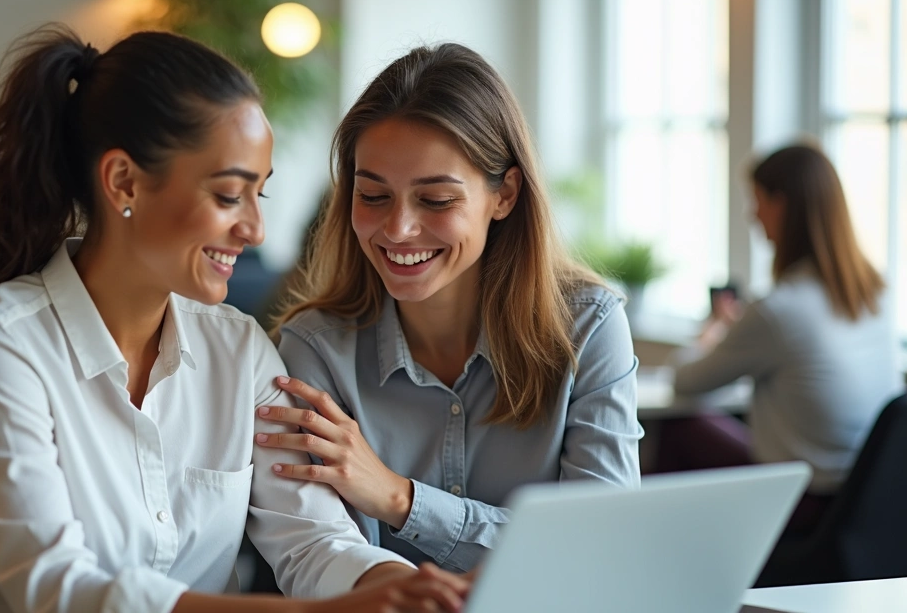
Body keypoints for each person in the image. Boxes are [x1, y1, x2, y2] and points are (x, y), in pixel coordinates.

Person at [0, 25, 470, 613]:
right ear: (124, 181)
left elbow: (312, 538)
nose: (254, 230)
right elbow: (56, 590)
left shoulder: (238, 348)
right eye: (230, 195)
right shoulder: (0, 344)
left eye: (262, 196)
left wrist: (396, 588)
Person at [260, 43, 643, 573]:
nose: (397, 230)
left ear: (504, 195)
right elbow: (324, 560)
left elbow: (601, 548)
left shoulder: (587, 327)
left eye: (436, 200)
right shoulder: (315, 350)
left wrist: (400, 499)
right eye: (373, 196)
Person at [659, 144, 904, 534]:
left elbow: (686, 381)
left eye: (757, 201)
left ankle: (675, 565)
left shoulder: (779, 310)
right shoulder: (877, 293)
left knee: (680, 428)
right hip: (867, 506)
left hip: (803, 506)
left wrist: (712, 334)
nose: (752, 214)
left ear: (783, 205)